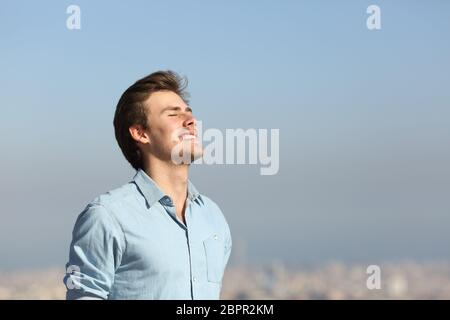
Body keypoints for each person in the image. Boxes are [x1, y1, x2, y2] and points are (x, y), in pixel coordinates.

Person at [63, 70, 232, 299]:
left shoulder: (213, 217)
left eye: (189, 112)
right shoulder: (108, 217)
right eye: (174, 115)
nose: (191, 121)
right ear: (141, 133)